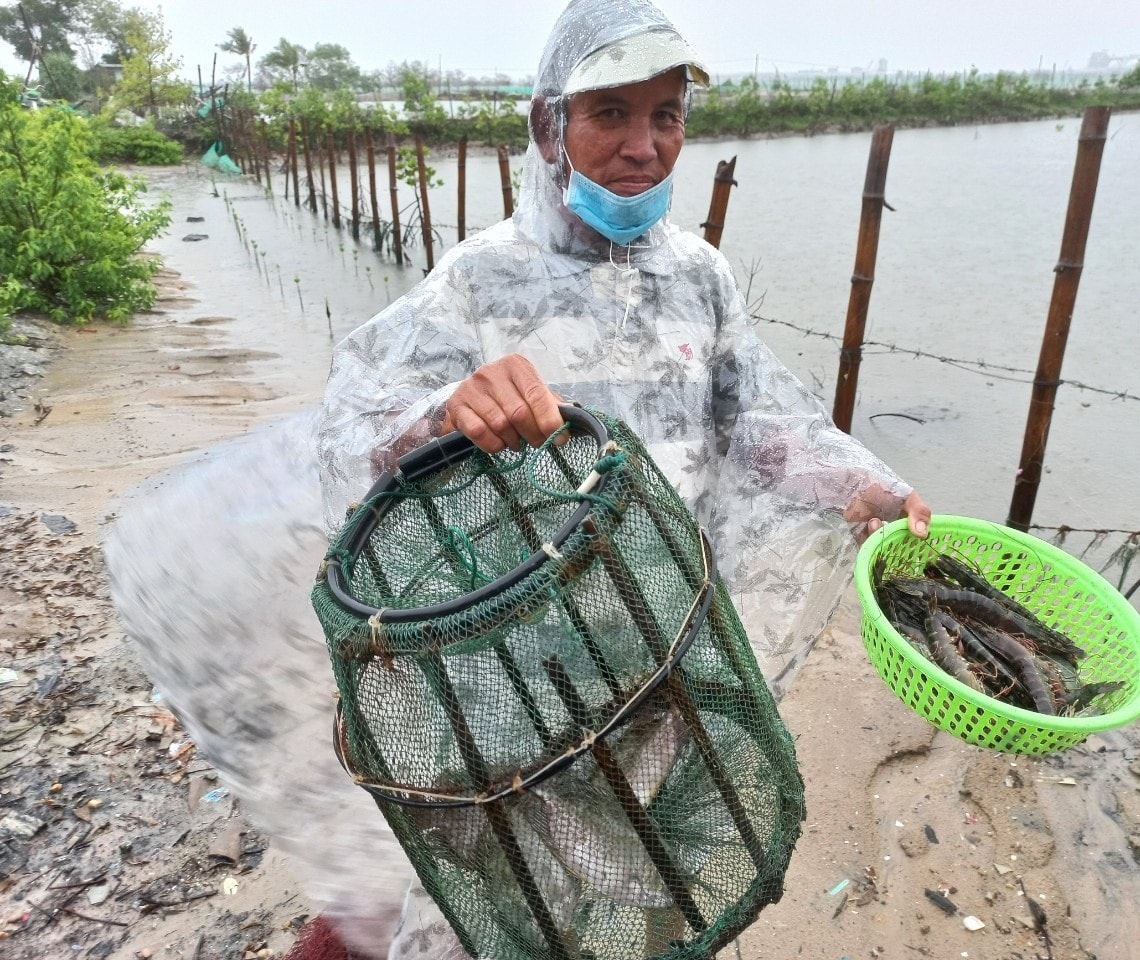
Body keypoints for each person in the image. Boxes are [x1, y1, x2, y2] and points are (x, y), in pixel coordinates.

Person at [109, 3, 930, 959]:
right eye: (610, 115)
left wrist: (858, 484)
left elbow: (759, 420)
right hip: (509, 663)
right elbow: (356, 424)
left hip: (660, 647)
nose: (644, 147)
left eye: (666, 117)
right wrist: (449, 409)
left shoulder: (700, 277)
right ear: (549, 128)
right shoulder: (480, 280)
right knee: (480, 889)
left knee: (641, 876)